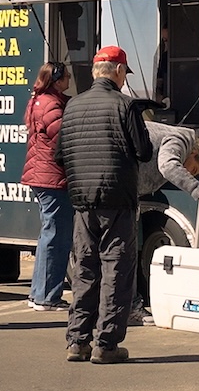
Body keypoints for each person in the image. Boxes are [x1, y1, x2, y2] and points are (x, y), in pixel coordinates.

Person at [54, 45, 152, 364]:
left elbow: (59, 155)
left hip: (82, 199)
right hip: (117, 198)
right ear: (118, 71)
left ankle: (77, 341)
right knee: (116, 270)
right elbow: (144, 151)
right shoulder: (126, 106)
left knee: (84, 268)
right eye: (125, 74)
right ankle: (106, 344)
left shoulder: (73, 106)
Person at [132, 120, 199, 321]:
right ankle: (129, 308)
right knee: (123, 253)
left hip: (119, 189)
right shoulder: (181, 138)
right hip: (123, 192)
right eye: (194, 170)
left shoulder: (171, 137)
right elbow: (168, 165)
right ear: (194, 154)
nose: (188, 174)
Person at [21, 61, 72, 311]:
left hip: (43, 177)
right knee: (56, 237)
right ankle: (47, 297)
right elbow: (63, 137)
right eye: (67, 77)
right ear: (57, 80)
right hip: (52, 178)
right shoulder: (51, 104)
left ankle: (39, 294)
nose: (70, 79)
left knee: (48, 236)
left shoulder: (40, 100)